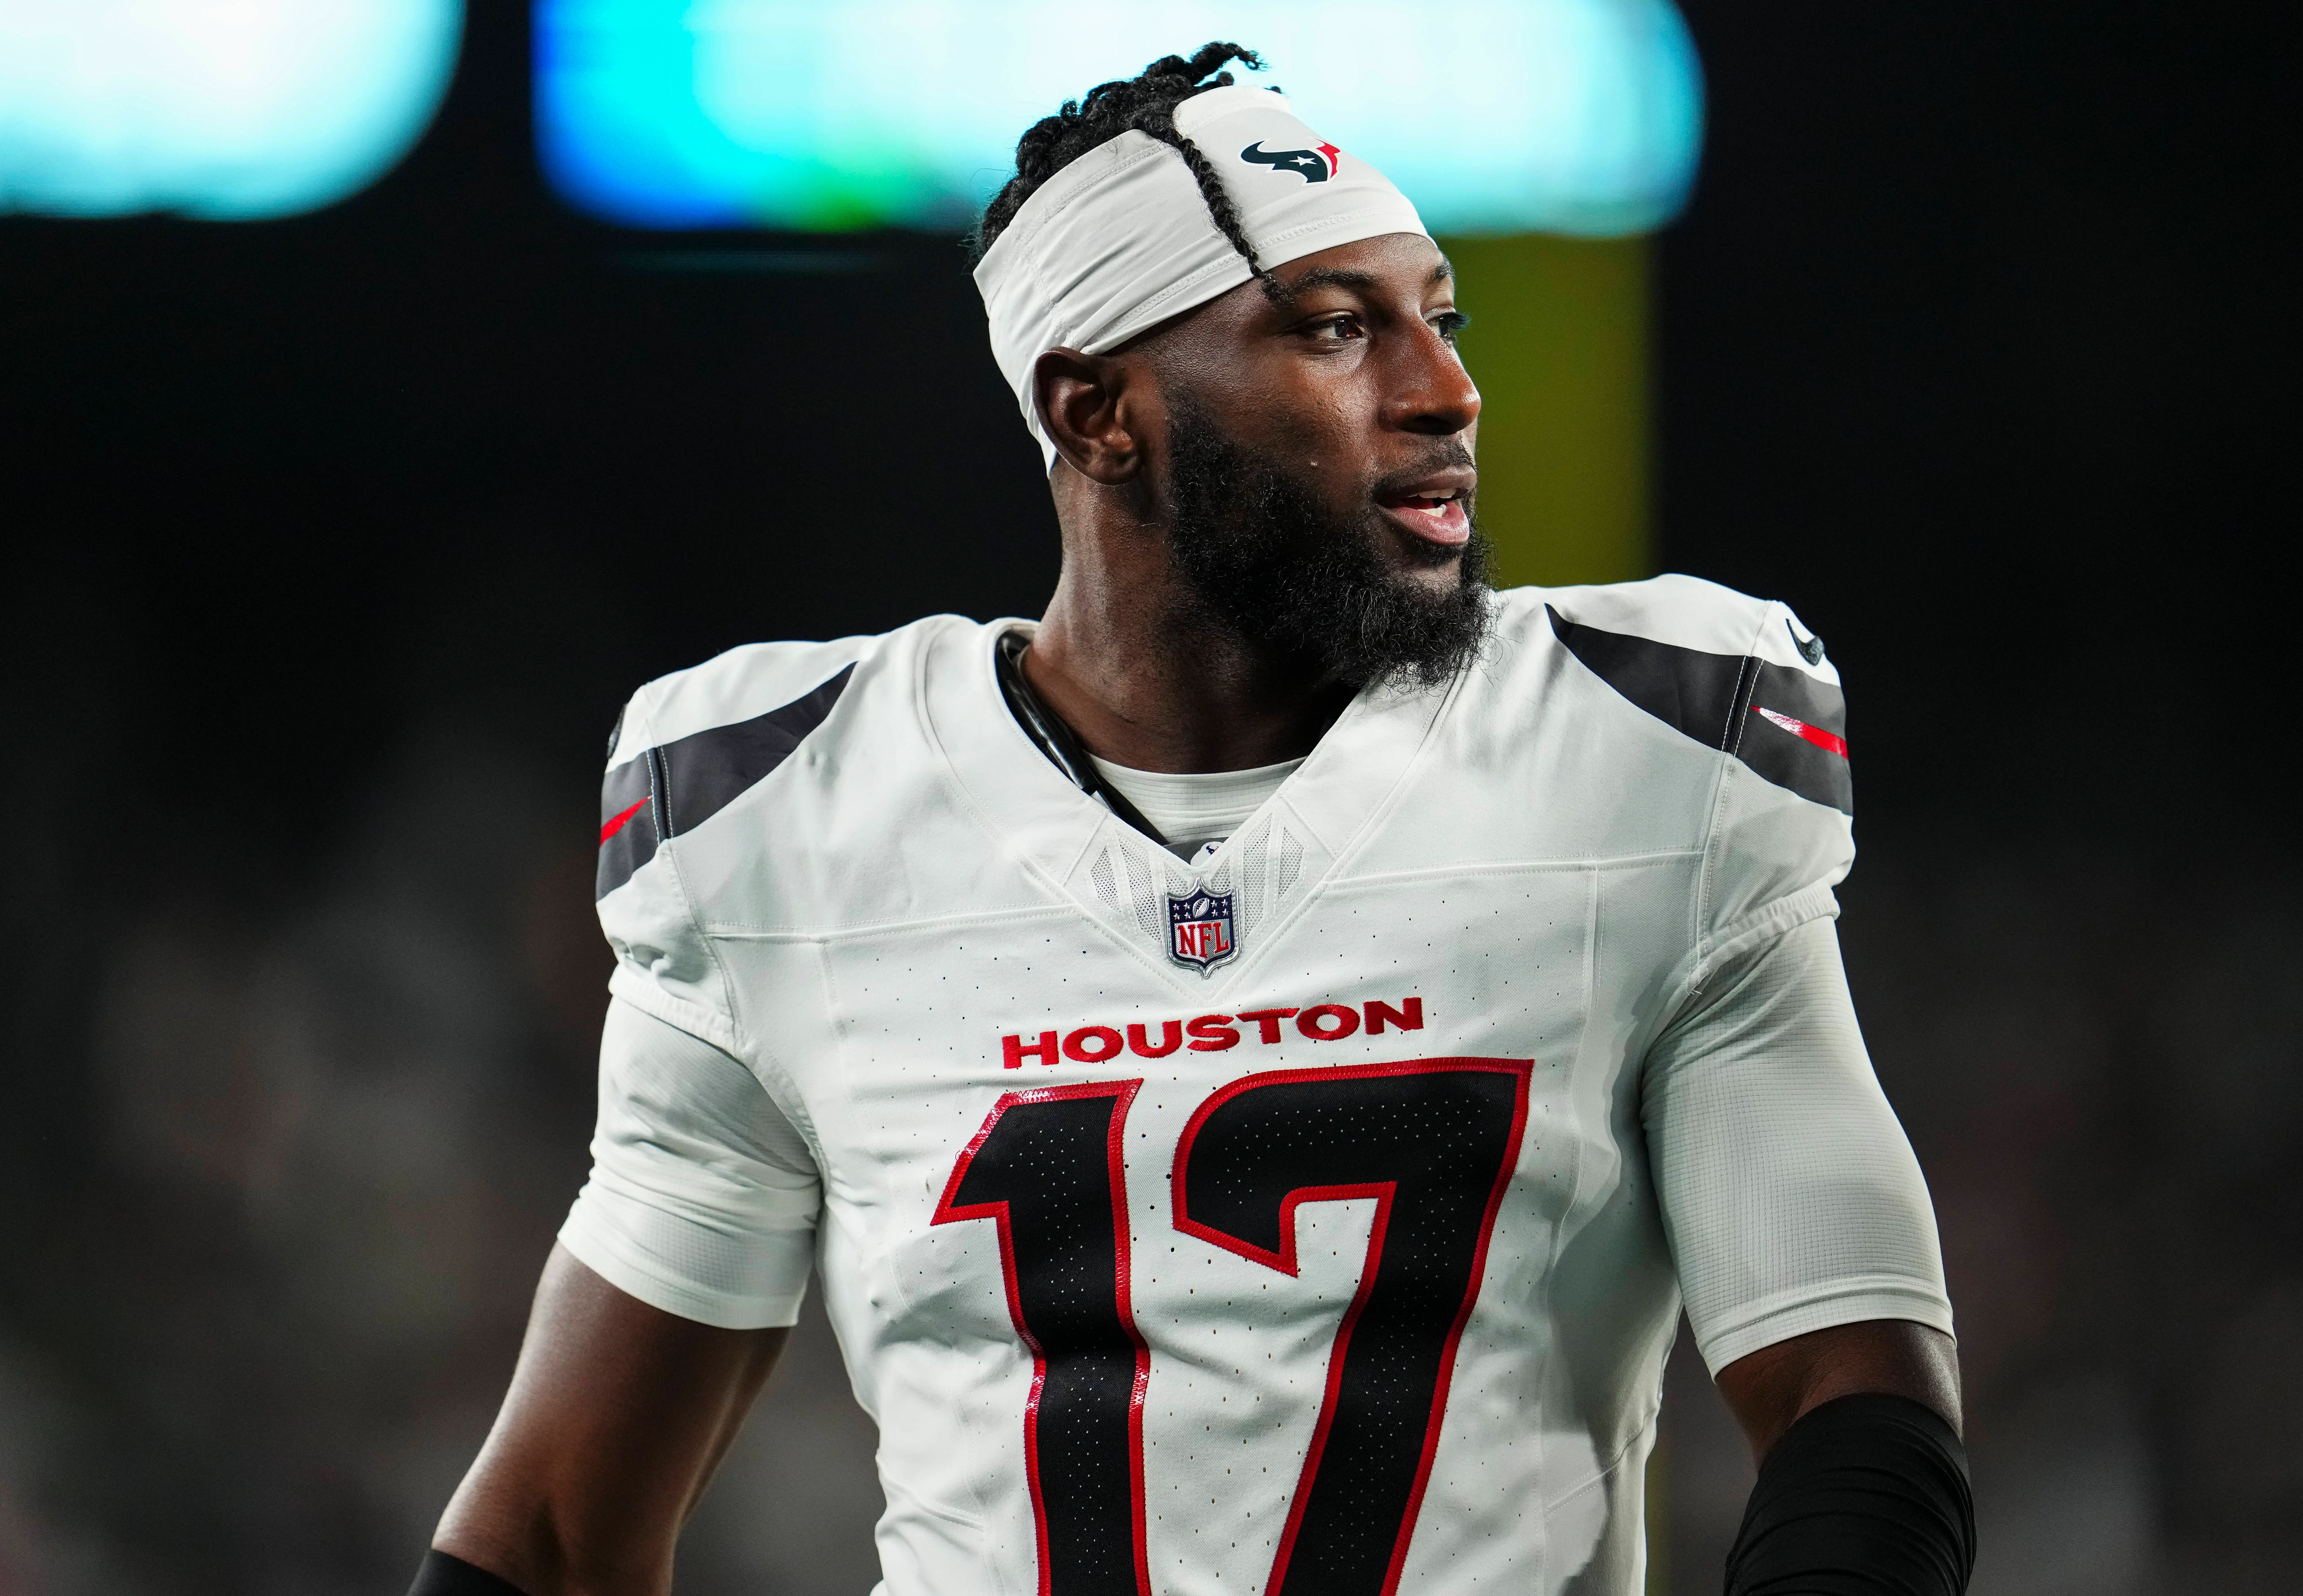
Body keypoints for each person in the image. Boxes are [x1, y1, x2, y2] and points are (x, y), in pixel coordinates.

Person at [410, 44, 1973, 1596]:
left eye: (1438, 317)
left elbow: (1858, 1405)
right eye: (1334, 330)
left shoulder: (1644, 750)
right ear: (1096, 413)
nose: (1444, 390)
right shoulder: (776, 817)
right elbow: (551, 1528)